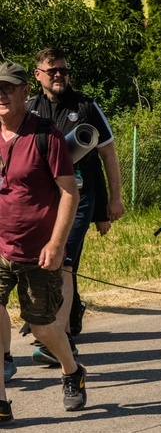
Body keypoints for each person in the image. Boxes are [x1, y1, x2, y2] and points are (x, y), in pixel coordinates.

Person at [25, 47, 124, 365]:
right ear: (38, 74)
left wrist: (115, 199)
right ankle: (56, 323)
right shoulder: (28, 109)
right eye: (52, 70)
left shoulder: (86, 107)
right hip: (41, 201)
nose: (59, 75)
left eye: (63, 70)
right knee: (41, 263)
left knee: (63, 260)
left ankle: (59, 337)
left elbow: (109, 155)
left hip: (79, 198)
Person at [0, 62, 86, 423]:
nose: (1, 95)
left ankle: (71, 371)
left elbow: (69, 194)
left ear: (24, 92)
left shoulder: (46, 135)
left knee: (42, 327)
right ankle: (1, 400)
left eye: (8, 88)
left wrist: (56, 242)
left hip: (39, 250)